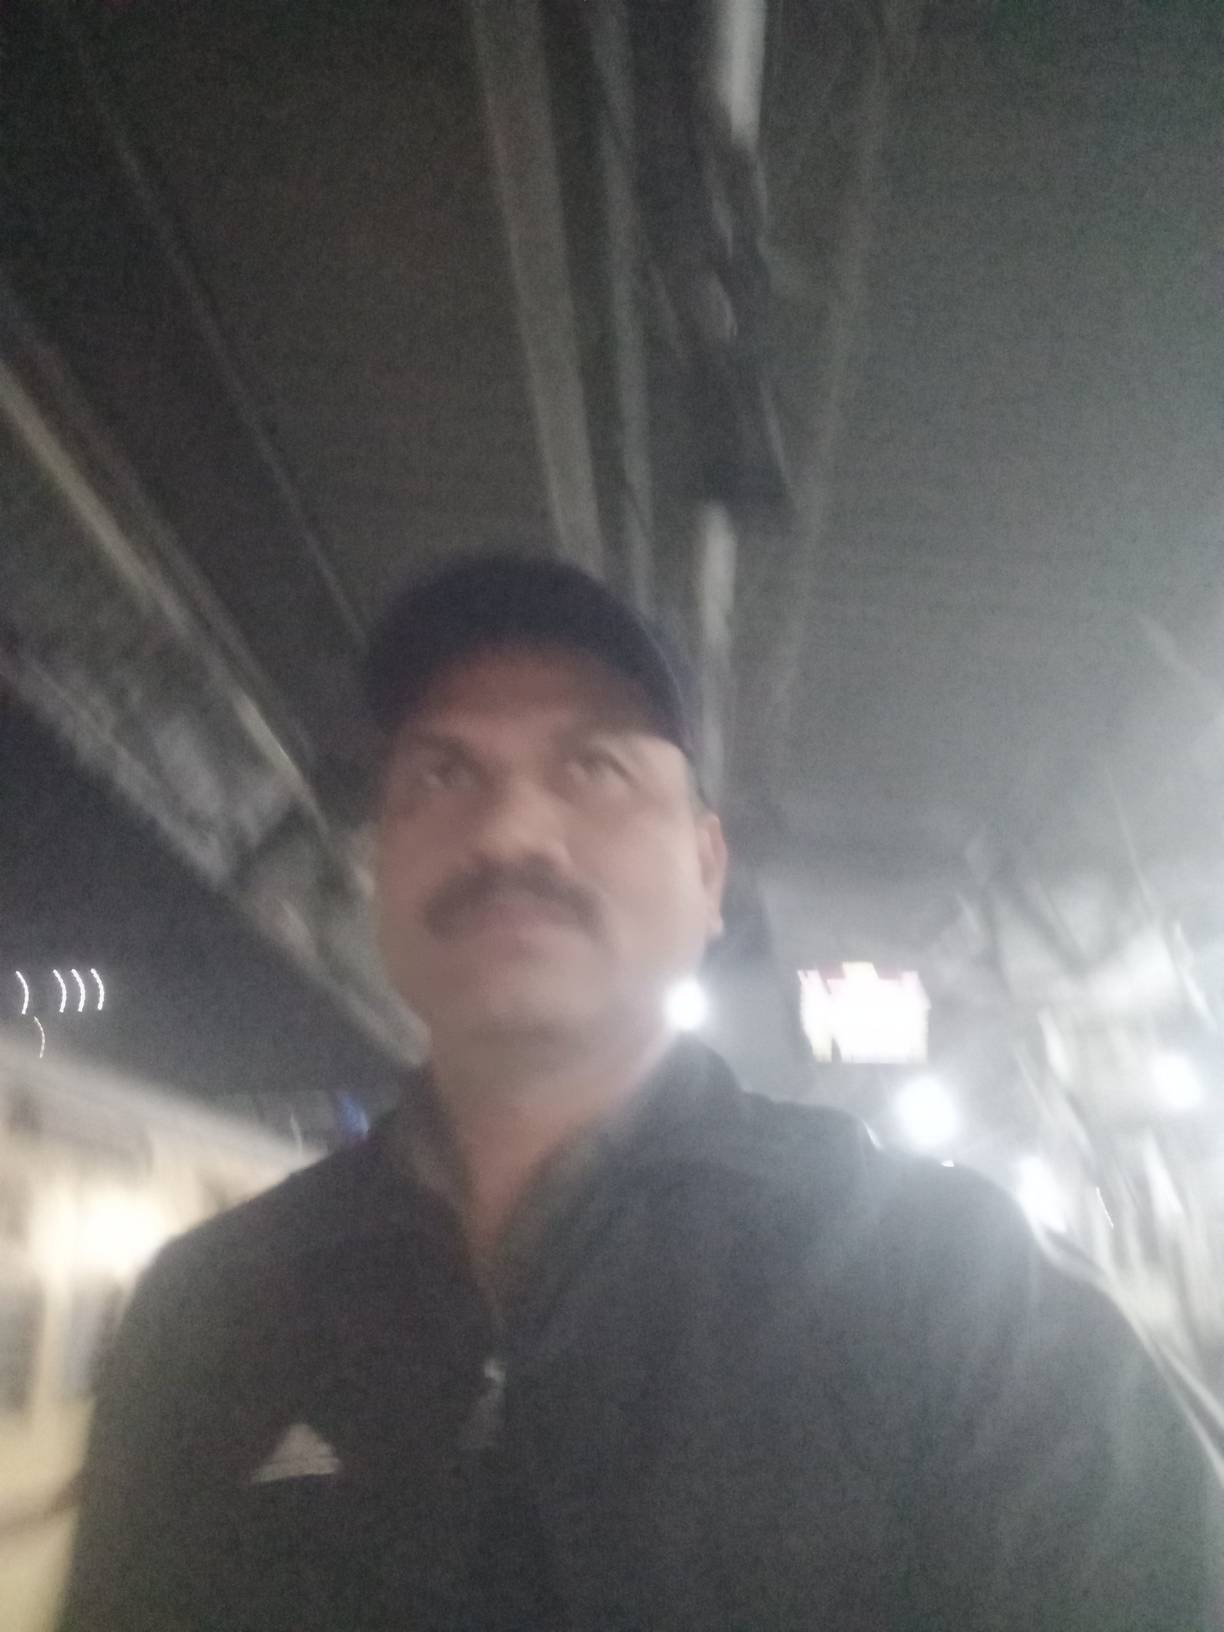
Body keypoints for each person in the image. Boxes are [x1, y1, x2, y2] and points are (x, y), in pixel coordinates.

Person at [60, 555, 1222, 1631]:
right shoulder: (206, 1312)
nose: (510, 830)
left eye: (595, 768)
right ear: (380, 871)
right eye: (440, 774)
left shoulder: (962, 1292)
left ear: (708, 871)